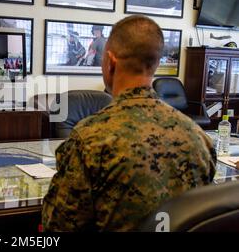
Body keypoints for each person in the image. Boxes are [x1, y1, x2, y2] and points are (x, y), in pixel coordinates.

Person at [42, 15, 217, 232]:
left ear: (110, 63)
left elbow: (58, 227)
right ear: (156, 65)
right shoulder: (199, 138)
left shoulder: (89, 139)